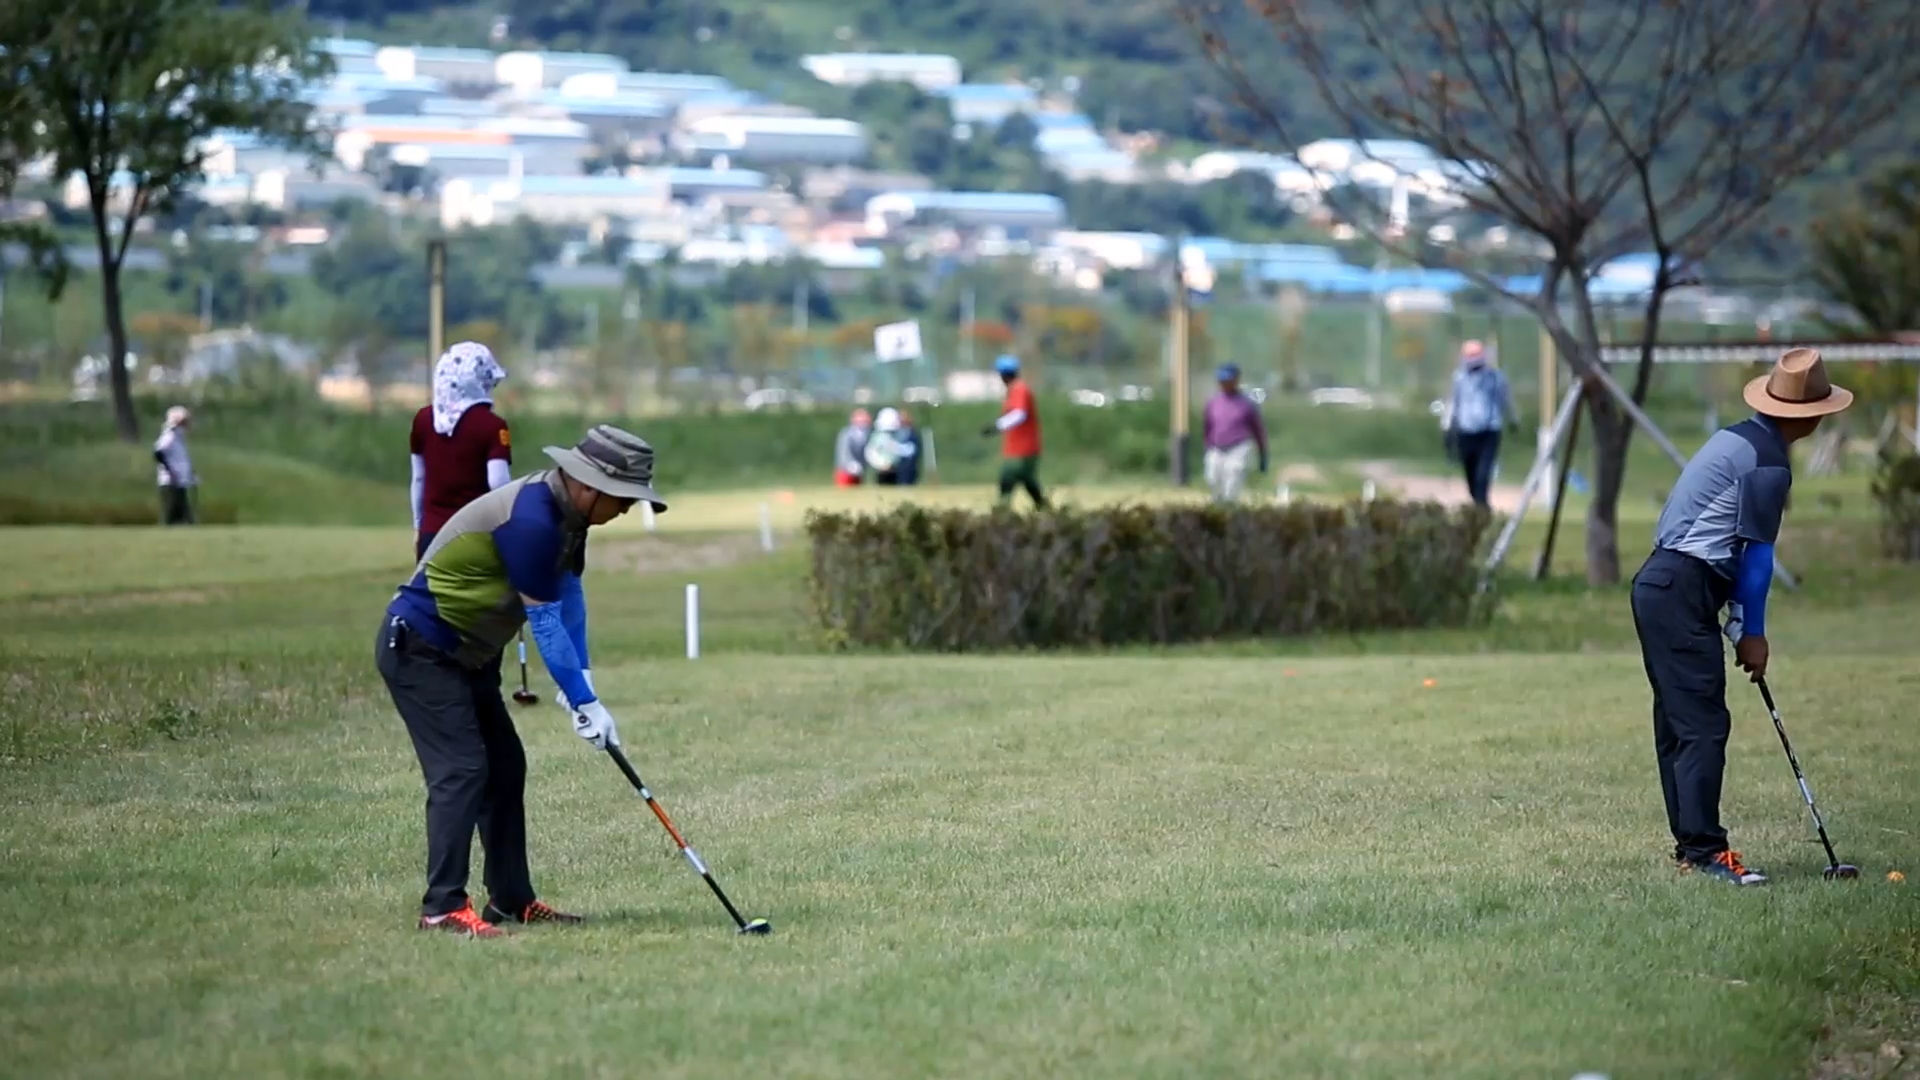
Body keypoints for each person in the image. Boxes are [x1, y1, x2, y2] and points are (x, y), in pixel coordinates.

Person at [378, 425, 665, 937]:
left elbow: (570, 596)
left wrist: (584, 683)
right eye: (623, 499)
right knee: (463, 770)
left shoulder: (570, 518)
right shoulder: (532, 520)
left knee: (505, 767)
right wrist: (583, 699)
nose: (624, 510)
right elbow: (545, 621)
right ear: (590, 485)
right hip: (421, 648)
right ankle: (442, 906)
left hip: (468, 655)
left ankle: (511, 899)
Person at [1631, 347, 1851, 886]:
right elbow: (1756, 558)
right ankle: (1706, 852)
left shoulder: (1736, 438)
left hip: (1661, 583)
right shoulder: (1769, 463)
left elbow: (1722, 542)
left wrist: (1729, 617)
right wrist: (1753, 633)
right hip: (1680, 586)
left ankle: (1692, 847)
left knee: (1681, 725)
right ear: (1813, 415)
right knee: (1702, 725)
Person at [412, 342, 513, 560]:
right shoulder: (492, 426)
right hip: (475, 536)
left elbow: (419, 478)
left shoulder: (422, 420)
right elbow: (498, 483)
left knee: (430, 594)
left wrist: (419, 526)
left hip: (431, 536)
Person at [1443, 341, 1516, 508]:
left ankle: (1482, 506)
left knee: (1483, 473)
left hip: (1489, 430)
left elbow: (1506, 399)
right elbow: (1453, 402)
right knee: (1471, 472)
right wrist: (1447, 425)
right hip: (1466, 430)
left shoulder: (1495, 377)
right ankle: (1477, 501)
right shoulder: (1459, 378)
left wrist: (1513, 419)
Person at [982, 354, 1046, 509]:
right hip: (1021, 448)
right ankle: (1046, 511)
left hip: (1022, 449)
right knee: (1029, 483)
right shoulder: (1015, 389)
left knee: (1007, 479)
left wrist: (997, 426)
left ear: (1003, 374)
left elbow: (1019, 414)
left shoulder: (1019, 389)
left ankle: (1002, 513)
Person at [1201, 363, 1268, 502]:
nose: (1225, 384)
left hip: (1238, 447)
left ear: (1236, 380)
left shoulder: (1246, 404)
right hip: (1216, 447)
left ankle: (1229, 508)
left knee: (1232, 482)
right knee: (1212, 479)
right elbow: (1207, 426)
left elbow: (1258, 430)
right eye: (1222, 381)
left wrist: (1263, 454)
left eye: (1228, 380)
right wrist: (1206, 446)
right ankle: (1217, 508)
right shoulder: (1213, 403)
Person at [153, 405, 196, 526]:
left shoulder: (179, 438)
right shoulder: (169, 436)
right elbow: (158, 452)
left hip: (180, 480)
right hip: (171, 480)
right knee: (172, 510)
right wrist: (169, 470)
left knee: (181, 510)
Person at [866, 407, 917, 486]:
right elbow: (871, 453)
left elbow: (907, 451)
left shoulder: (901, 435)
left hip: (897, 471)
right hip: (881, 471)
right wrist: (882, 464)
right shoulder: (877, 437)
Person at [834, 409, 871, 487]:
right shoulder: (846, 433)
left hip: (859, 471)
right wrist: (850, 465)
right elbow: (843, 452)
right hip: (845, 471)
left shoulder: (866, 435)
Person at [895, 409, 922, 486]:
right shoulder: (897, 433)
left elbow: (913, 450)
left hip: (910, 466)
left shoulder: (913, 434)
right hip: (898, 467)